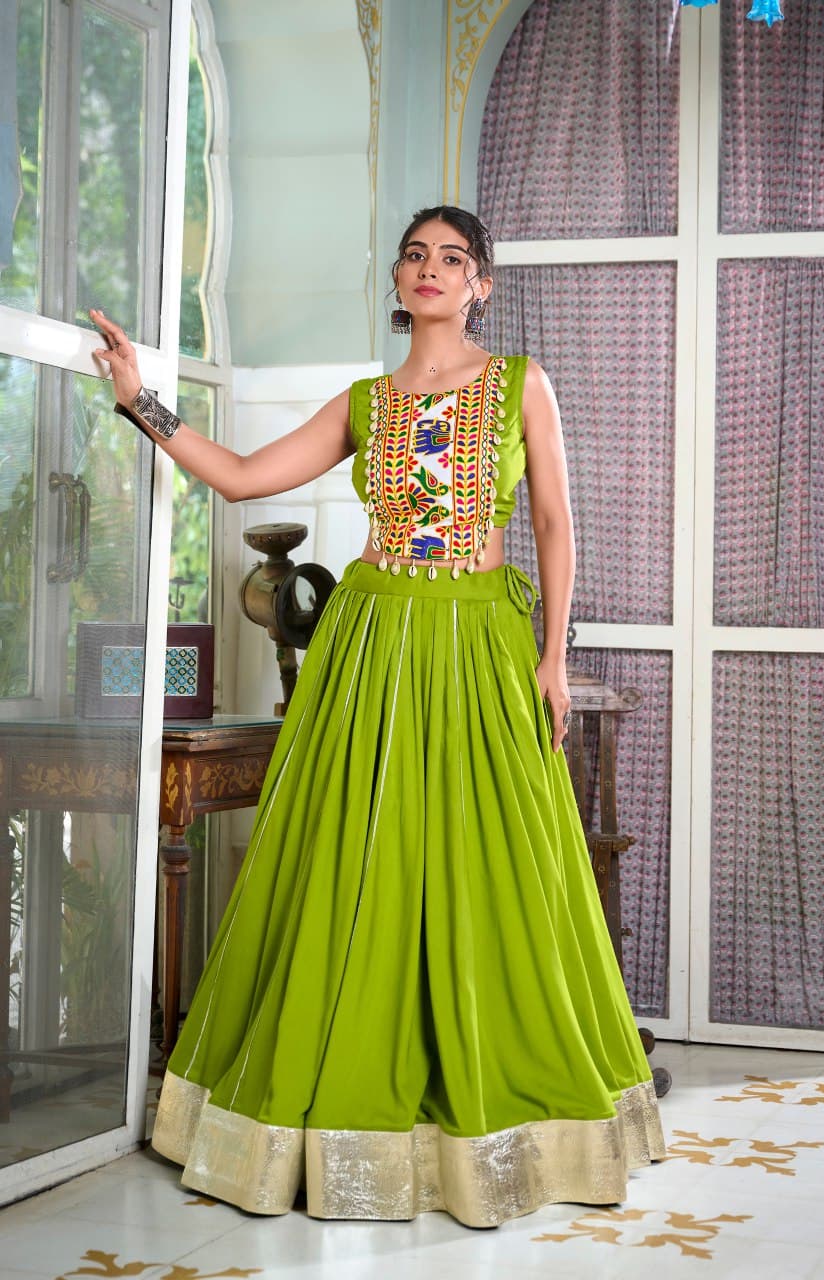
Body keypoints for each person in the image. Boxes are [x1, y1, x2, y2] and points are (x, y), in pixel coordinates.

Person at [91, 205, 664, 1229]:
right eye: (415, 256)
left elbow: (551, 520)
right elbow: (244, 478)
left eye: (453, 258)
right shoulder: (364, 401)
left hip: (482, 640)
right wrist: (146, 404)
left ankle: (499, 1094)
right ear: (398, 282)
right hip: (374, 645)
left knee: (496, 859)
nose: (431, 270)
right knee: (356, 859)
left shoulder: (520, 381)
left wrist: (554, 654)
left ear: (481, 283)